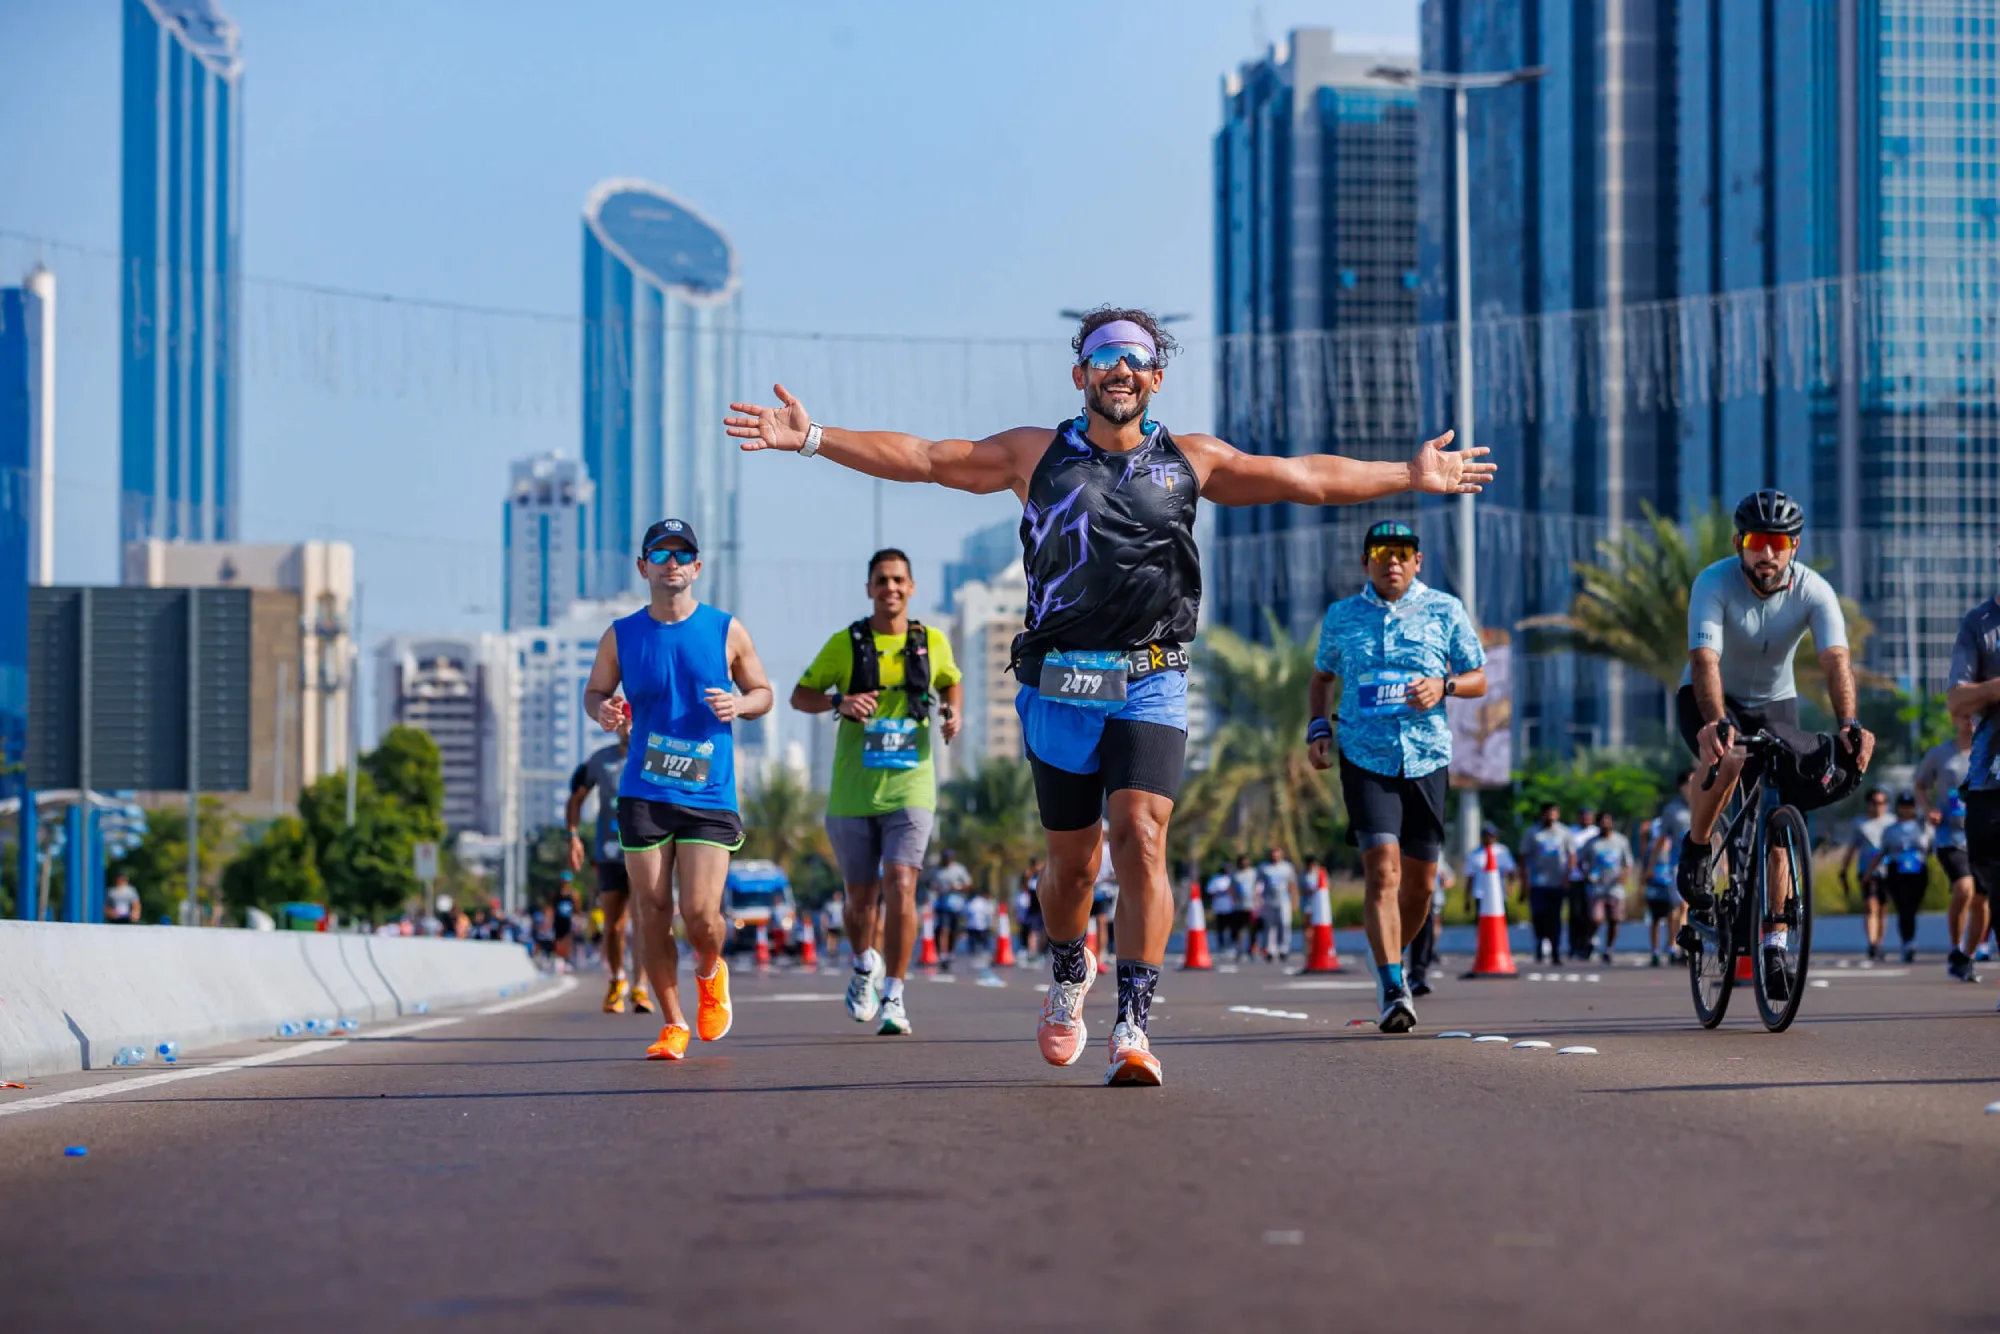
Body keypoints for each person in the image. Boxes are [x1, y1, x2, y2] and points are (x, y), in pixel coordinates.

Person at [727, 305, 1490, 1085]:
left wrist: (1408, 474)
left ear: (1156, 378)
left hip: (1152, 676)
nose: (1120, 369)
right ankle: (1068, 969)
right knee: (1072, 871)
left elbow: (1303, 478)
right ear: (1080, 374)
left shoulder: (1192, 460)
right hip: (1060, 679)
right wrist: (816, 439)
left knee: (1142, 835)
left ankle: (1133, 1020)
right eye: (1104, 356)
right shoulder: (1036, 455)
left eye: (1136, 357)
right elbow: (928, 456)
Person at [581, 517, 774, 1061]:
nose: (671, 563)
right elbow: (595, 690)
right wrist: (603, 710)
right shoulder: (621, 634)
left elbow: (763, 691)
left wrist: (741, 704)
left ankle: (711, 970)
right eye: (659, 554)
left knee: (698, 913)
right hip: (644, 790)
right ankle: (672, 1023)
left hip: (709, 792)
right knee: (650, 907)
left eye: (680, 554)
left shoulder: (725, 630)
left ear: (696, 567)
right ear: (643, 567)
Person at [1675, 489, 1874, 1000]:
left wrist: (1849, 721)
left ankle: (1775, 943)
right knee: (1731, 754)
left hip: (1776, 703)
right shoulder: (1713, 582)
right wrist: (1717, 721)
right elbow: (1705, 661)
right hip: (1709, 696)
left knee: (1783, 817)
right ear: (1740, 543)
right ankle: (1697, 849)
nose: (1768, 554)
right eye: (1758, 542)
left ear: (1794, 546)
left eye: (1779, 543)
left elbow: (1835, 661)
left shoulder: (1815, 590)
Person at [1307, 518, 1489, 1033]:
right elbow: (1322, 677)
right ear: (1365, 561)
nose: (1393, 560)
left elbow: (1478, 677)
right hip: (1366, 756)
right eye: (1382, 551)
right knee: (1382, 869)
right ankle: (1393, 983)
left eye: (1404, 551)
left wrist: (1444, 686)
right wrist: (1318, 725)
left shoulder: (1445, 609)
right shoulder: (1343, 616)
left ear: (1418, 561)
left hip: (1428, 756)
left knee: (1421, 888)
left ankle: (1390, 952)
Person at [792, 548, 964, 1032]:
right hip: (852, 792)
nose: (890, 588)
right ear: (869, 588)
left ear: (911, 588)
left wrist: (954, 714)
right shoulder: (844, 644)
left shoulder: (932, 642)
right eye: (881, 580)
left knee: (902, 884)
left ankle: (895, 996)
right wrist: (838, 702)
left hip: (911, 787)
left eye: (898, 580)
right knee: (860, 901)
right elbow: (799, 696)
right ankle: (866, 965)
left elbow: (951, 682)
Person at [568, 702, 652, 1015]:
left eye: (634, 722)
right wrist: (572, 836)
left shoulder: (654, 755)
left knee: (643, 922)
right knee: (615, 925)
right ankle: (617, 980)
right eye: (624, 723)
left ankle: (641, 987)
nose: (628, 728)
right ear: (616, 725)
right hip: (609, 852)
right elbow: (576, 797)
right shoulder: (600, 761)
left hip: (646, 850)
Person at [1944, 587, 2000, 1005]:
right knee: (1985, 884)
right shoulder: (1979, 624)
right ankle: (1963, 954)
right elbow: (1957, 699)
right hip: (1990, 781)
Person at [1916, 721, 1983, 982]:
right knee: (1965, 888)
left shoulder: (1990, 753)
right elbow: (1921, 785)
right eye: (1965, 716)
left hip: (1983, 835)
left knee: (1981, 899)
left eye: (1976, 717)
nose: (1970, 722)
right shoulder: (1939, 754)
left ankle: (1968, 956)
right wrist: (1927, 810)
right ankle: (1955, 947)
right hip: (1950, 836)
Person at [1644, 772, 1694, 966]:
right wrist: (1650, 866)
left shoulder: (1704, 803)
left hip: (1703, 864)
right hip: (1678, 864)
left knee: (1688, 908)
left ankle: (1678, 944)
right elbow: (1661, 839)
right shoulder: (1672, 810)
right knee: (1681, 906)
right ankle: (1677, 947)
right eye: (1690, 783)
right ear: (1681, 787)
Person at [1877, 792, 1933, 964]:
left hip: (1917, 869)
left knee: (1912, 908)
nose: (1907, 810)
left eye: (1910, 806)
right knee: (1903, 907)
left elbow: (1929, 847)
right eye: (1903, 806)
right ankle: (1907, 942)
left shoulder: (1922, 827)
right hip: (1897, 870)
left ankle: (1909, 938)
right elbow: (1883, 851)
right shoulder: (1890, 830)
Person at [1840, 788, 1895, 960]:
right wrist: (1844, 870)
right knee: (1871, 906)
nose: (1878, 807)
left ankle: (1879, 942)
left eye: (1882, 803)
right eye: (1875, 803)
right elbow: (1851, 848)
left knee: (1883, 909)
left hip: (1888, 871)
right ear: (1868, 804)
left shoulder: (1892, 822)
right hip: (1867, 872)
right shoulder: (1860, 824)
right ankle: (1872, 944)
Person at [1520, 804, 1575, 965]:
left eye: (1554, 812)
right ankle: (1539, 942)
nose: (1551, 815)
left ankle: (1555, 952)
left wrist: (1568, 876)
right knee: (1539, 915)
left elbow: (1571, 855)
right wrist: (1524, 881)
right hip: (1538, 882)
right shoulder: (1532, 832)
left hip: (1557, 883)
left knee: (1555, 918)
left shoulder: (1564, 832)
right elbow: (1523, 857)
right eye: (1548, 812)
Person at [1462, 824, 1517, 975]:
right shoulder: (1474, 854)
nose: (1492, 838)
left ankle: (1498, 948)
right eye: (1489, 836)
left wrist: (1510, 885)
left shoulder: (1502, 851)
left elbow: (1511, 870)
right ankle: (1482, 948)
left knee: (1500, 925)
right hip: (1480, 894)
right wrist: (1466, 899)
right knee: (1480, 925)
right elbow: (1469, 878)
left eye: (1494, 836)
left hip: (1498, 896)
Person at [1583, 810, 1632, 963]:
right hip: (1597, 887)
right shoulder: (1591, 843)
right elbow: (1580, 862)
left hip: (1615, 887)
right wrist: (1587, 875)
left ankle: (1609, 948)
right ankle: (1592, 939)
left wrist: (1624, 876)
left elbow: (1627, 863)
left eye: (1607, 820)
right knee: (1596, 918)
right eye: (1602, 821)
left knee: (1614, 919)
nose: (1605, 824)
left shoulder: (1621, 841)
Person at [1254, 847, 1300, 966]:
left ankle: (1284, 949)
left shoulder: (1287, 867)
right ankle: (1270, 949)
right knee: (1269, 926)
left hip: (1284, 901)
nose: (1275, 857)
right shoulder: (1263, 868)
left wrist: (1294, 900)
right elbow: (1258, 885)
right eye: (1273, 855)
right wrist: (1258, 900)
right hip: (1268, 901)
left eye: (1277, 855)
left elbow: (1292, 884)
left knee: (1285, 924)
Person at [1566, 807, 1599, 965]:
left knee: (1590, 915)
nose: (1586, 819)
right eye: (1583, 816)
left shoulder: (1596, 833)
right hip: (1575, 878)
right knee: (1576, 914)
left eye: (1589, 816)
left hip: (1593, 879)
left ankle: (1588, 944)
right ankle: (1574, 946)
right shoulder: (1571, 832)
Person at [930, 850, 973, 970]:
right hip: (942, 905)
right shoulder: (936, 870)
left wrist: (957, 887)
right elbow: (929, 883)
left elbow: (968, 884)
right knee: (944, 929)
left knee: (954, 931)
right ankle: (943, 955)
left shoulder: (959, 869)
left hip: (956, 905)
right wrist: (936, 888)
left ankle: (950, 952)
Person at [1228, 854, 1262, 962]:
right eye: (1242, 862)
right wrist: (1233, 901)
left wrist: (1259, 900)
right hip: (1239, 907)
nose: (1244, 863)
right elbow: (1232, 889)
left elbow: (1258, 887)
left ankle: (1252, 950)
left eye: (1246, 861)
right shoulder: (1235, 875)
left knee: (1252, 930)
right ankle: (1239, 950)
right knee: (1239, 930)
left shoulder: (1253, 873)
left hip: (1251, 906)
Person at [1204, 861, 1238, 959]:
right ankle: (1221, 946)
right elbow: (1209, 892)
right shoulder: (1215, 879)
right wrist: (1222, 893)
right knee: (1220, 928)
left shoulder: (1233, 878)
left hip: (1232, 908)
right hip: (1220, 908)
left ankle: (1232, 946)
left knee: (1233, 928)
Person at [1019, 857, 1046, 961]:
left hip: (1044, 908)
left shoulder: (1045, 876)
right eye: (1037, 865)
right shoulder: (1030, 878)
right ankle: (1032, 953)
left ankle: (1041, 952)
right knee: (1032, 931)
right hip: (1034, 909)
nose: (1039, 867)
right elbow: (1025, 888)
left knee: (1045, 932)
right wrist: (1027, 876)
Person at [963, 886, 996, 960]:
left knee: (982, 944)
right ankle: (975, 956)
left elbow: (989, 913)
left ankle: (983, 955)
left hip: (979, 927)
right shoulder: (969, 902)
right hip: (974, 927)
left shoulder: (979, 902)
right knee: (975, 946)